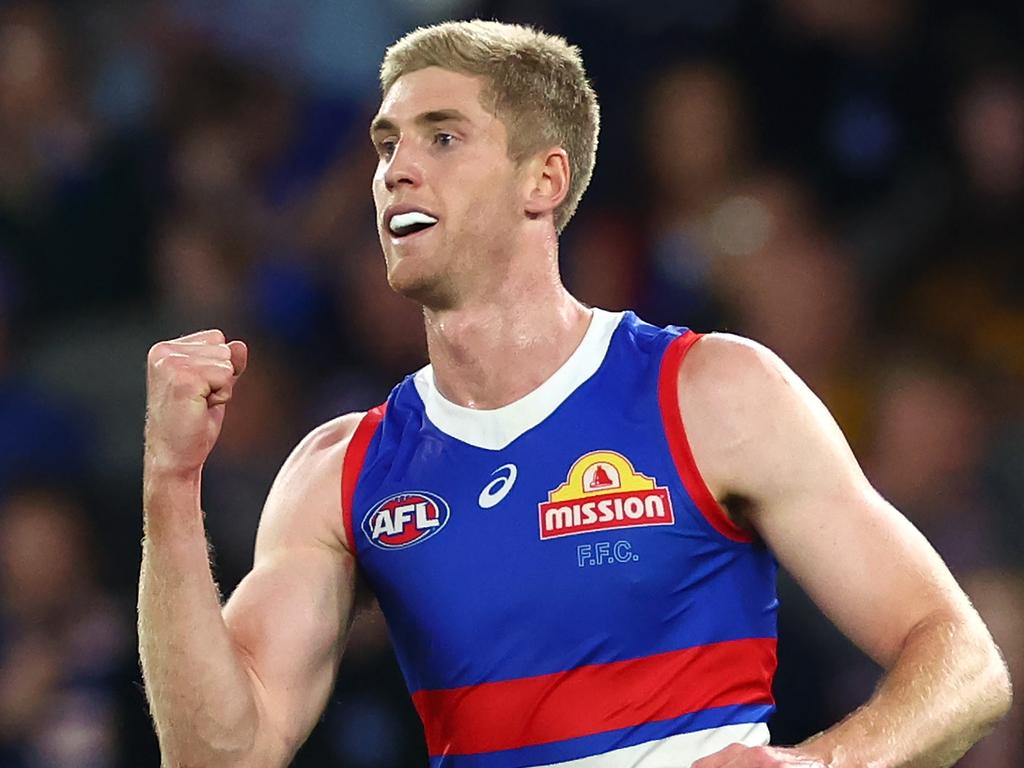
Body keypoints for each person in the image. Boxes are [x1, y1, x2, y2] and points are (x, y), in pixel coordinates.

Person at [138, 19, 1012, 768]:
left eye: (442, 137)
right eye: (386, 143)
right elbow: (222, 754)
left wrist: (826, 762)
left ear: (543, 180)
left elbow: (963, 661)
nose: (397, 169)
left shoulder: (709, 394)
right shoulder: (343, 470)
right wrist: (171, 492)